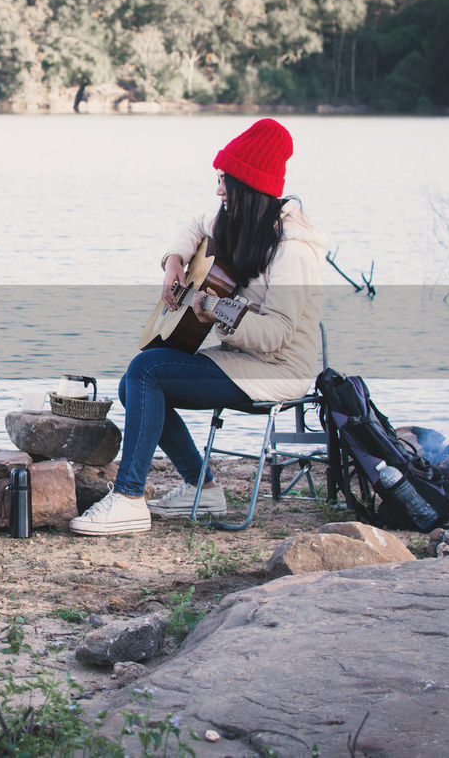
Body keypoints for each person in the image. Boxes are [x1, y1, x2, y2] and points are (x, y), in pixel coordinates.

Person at [71, 118, 325, 536]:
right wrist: (174, 259)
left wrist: (213, 309)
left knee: (146, 372)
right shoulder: (236, 223)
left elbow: (277, 333)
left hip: (278, 370)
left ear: (248, 186)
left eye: (225, 181)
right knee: (136, 380)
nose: (219, 189)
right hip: (242, 359)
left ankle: (130, 498)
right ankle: (202, 488)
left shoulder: (292, 250)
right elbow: (193, 224)